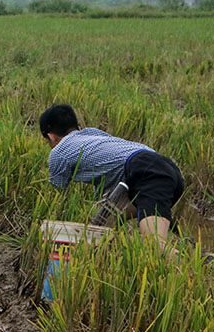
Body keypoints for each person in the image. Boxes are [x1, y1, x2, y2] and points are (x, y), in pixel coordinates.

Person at [39, 104, 185, 249]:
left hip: (146, 171)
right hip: (163, 168)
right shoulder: (94, 135)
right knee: (107, 222)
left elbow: (57, 200)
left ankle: (194, 269)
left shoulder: (58, 152)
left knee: (154, 247)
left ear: (51, 137)